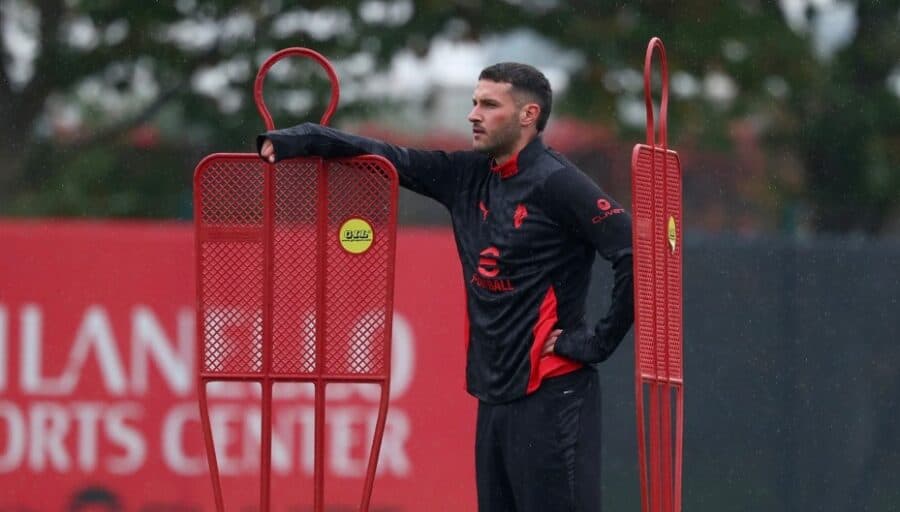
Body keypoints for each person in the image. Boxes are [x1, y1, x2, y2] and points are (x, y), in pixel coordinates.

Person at [258, 62, 633, 512]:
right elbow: (385, 155)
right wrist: (297, 140)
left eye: (489, 105)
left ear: (528, 115)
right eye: (474, 102)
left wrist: (595, 342)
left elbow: (631, 248)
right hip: (494, 399)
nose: (473, 114)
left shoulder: (558, 182)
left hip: (553, 397)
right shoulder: (466, 175)